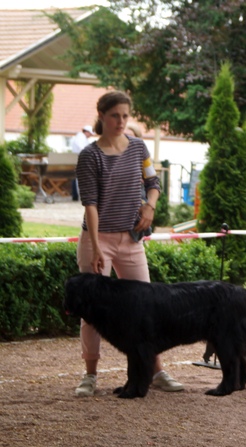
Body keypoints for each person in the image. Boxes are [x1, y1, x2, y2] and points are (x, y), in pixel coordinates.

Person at [74, 90, 183, 397]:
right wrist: (95, 248)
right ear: (102, 117)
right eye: (114, 116)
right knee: (91, 311)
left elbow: (153, 182)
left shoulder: (138, 147)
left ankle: (156, 370)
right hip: (97, 240)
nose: (121, 121)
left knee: (148, 307)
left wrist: (150, 206)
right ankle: (90, 375)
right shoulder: (89, 155)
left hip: (132, 240)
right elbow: (90, 205)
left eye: (125, 115)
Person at [70, 125, 94, 201]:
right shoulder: (80, 138)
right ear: (86, 132)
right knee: (76, 178)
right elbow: (83, 149)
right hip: (78, 160)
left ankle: (76, 195)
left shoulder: (82, 138)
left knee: (75, 178)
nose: (90, 135)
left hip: (79, 159)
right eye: (90, 133)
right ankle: (76, 195)